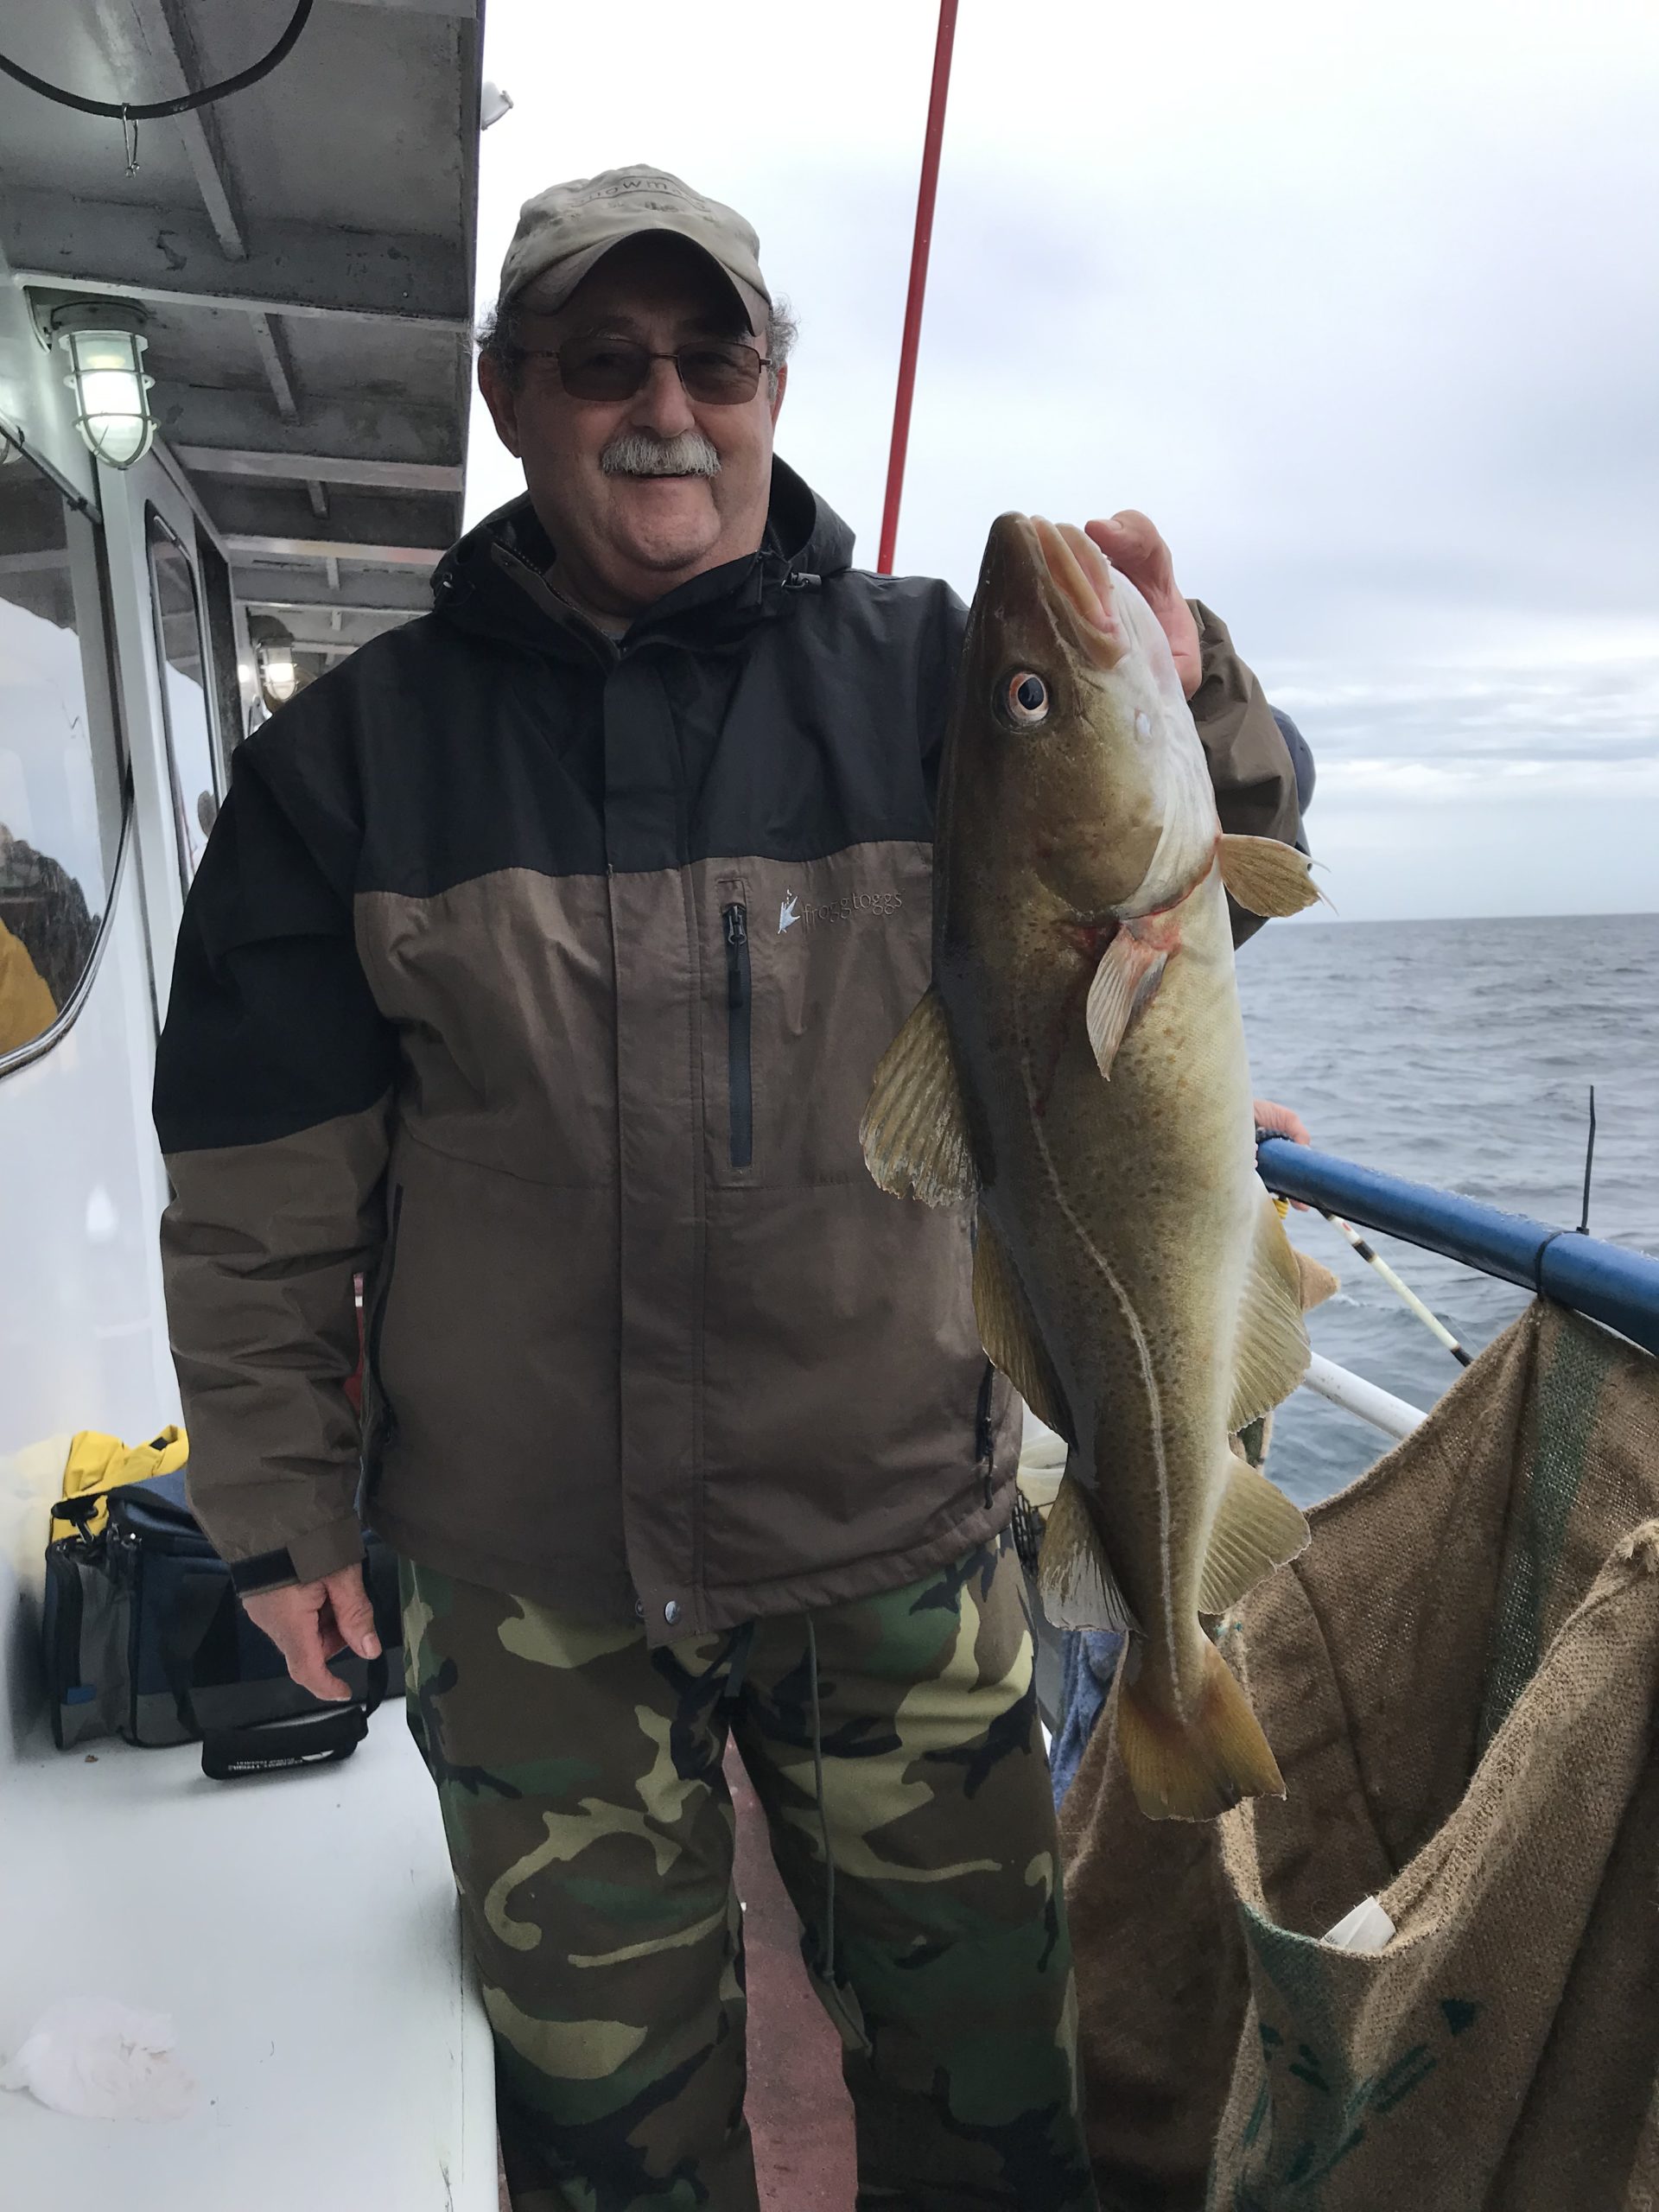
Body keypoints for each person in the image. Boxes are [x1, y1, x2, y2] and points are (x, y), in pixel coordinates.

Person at [153, 167, 1313, 2212]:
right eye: (604, 361)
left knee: (990, 2108)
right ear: (515, 398)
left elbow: (1186, 909)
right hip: (522, 1587)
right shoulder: (345, 762)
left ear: (774, 386)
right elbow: (259, 1194)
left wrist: (1197, 689)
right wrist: (271, 1513)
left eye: (713, 356)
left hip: (892, 1534)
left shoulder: (940, 680)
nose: (664, 403)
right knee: (606, 2147)